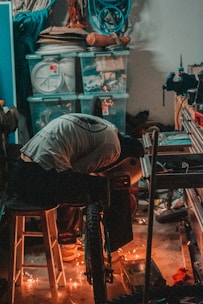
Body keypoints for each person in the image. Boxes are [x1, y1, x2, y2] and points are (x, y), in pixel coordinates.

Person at [11, 113, 144, 245]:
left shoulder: (109, 129)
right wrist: (106, 184)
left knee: (87, 184)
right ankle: (70, 238)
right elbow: (77, 173)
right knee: (97, 187)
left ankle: (70, 232)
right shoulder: (113, 149)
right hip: (37, 179)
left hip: (21, 169)